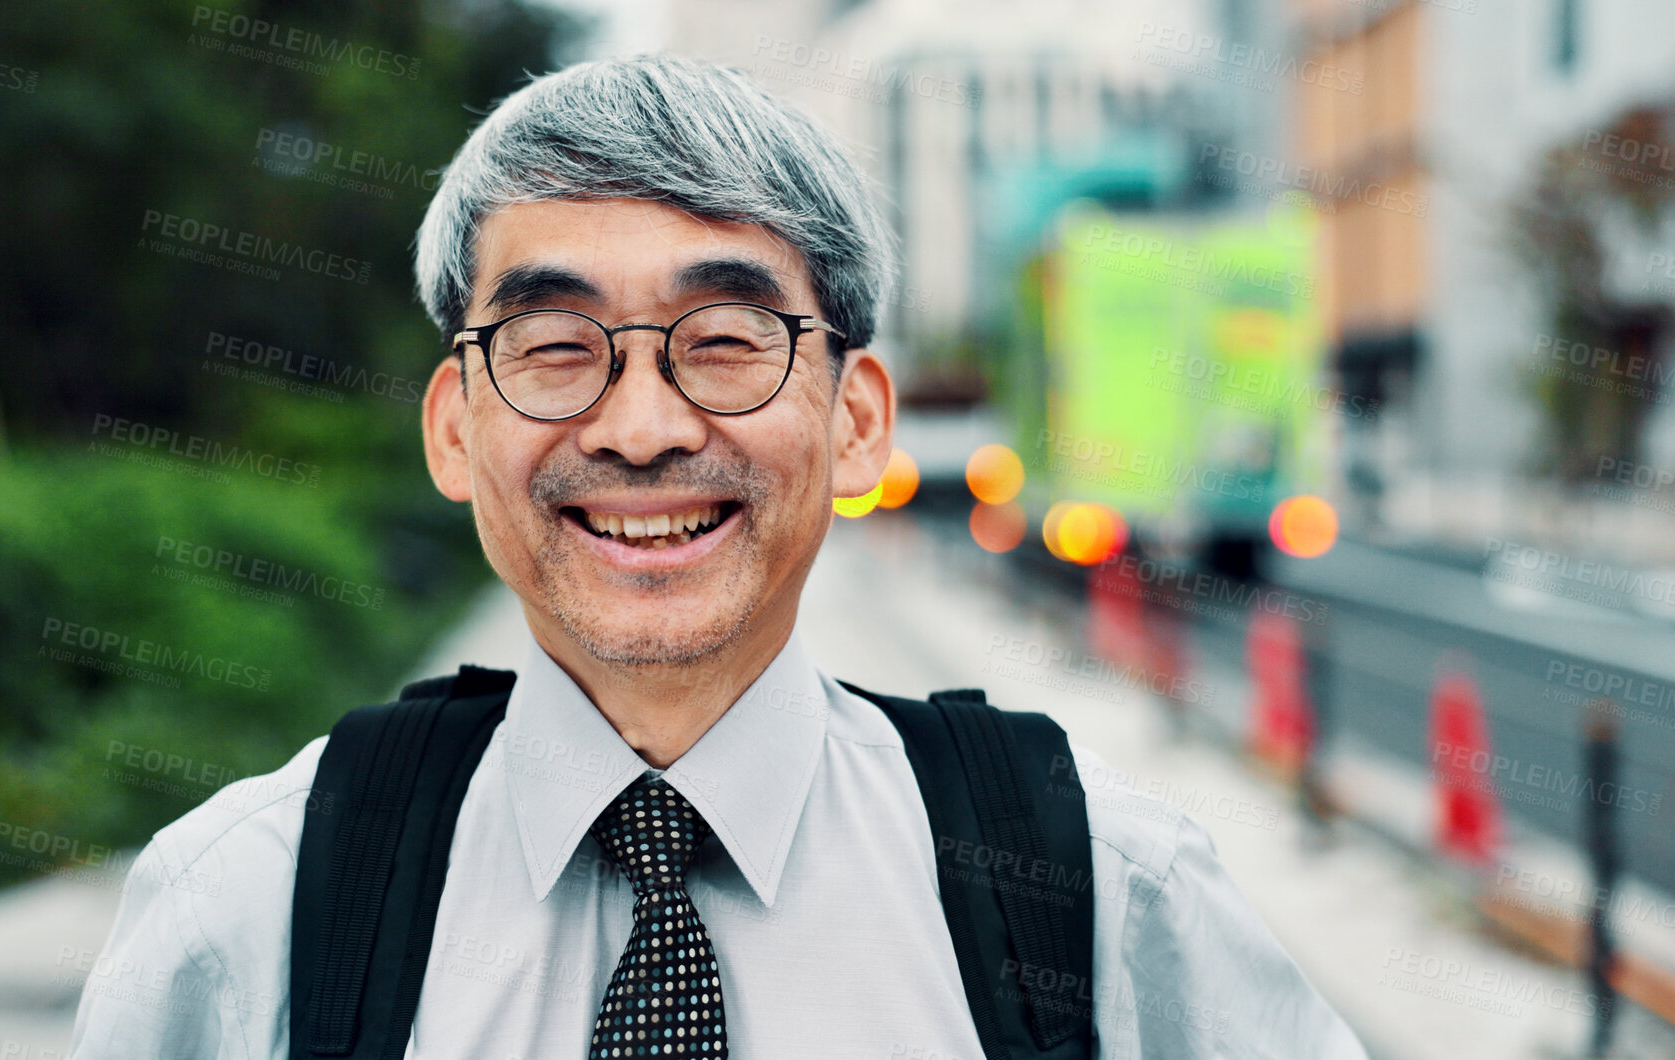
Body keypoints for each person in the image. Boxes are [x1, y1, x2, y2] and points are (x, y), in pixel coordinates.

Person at [71, 54, 1367, 1058]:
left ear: (856, 421)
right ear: (454, 430)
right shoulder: (253, 903)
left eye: (729, 339)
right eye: (554, 345)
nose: (640, 428)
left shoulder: (1094, 890)